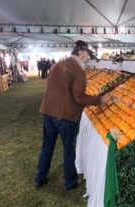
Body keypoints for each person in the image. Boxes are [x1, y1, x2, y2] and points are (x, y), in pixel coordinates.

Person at [34, 40, 110, 190]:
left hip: (48, 111)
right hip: (64, 115)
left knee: (47, 147)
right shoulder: (78, 71)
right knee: (68, 150)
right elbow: (79, 97)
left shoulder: (57, 65)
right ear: (80, 53)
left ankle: (40, 178)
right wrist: (100, 99)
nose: (88, 58)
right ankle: (70, 182)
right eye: (88, 54)